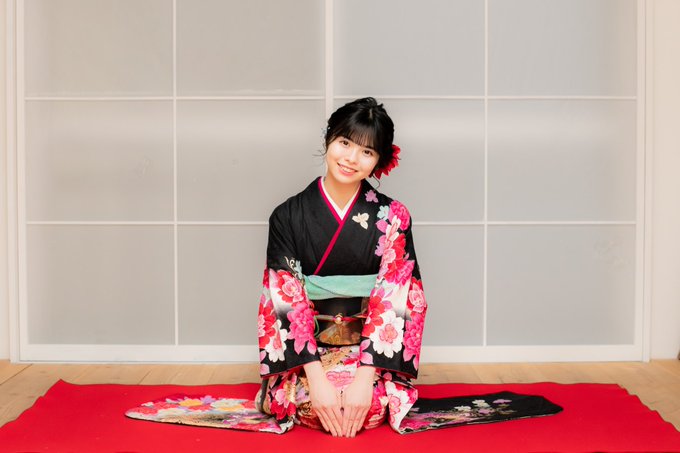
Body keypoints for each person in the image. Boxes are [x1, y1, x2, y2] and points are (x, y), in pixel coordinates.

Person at [256, 97, 427, 437]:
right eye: (345, 143)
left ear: (379, 160)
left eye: (367, 151)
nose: (351, 158)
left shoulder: (394, 217)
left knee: (369, 407)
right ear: (328, 139)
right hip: (309, 355)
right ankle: (308, 386)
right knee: (313, 404)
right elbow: (284, 299)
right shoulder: (287, 216)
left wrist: (365, 377)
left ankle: (366, 384)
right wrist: (317, 379)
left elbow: (397, 298)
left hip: (369, 353)